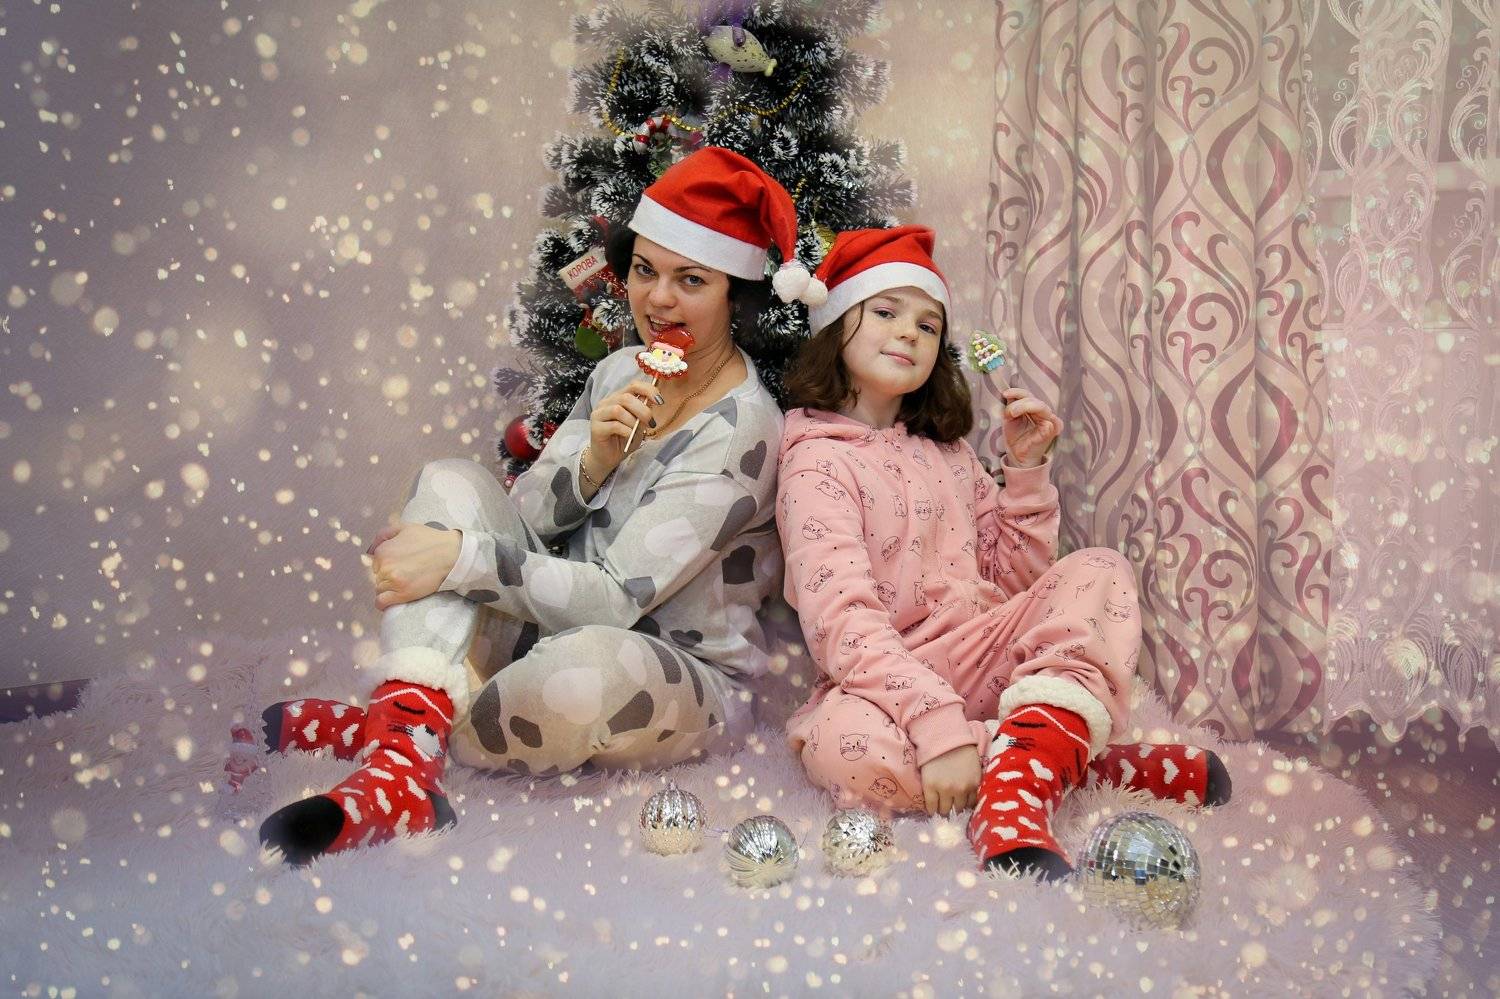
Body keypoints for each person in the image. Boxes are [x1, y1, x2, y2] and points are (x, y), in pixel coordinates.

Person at [252, 146, 828, 863]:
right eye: (644, 271)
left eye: (691, 280)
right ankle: (403, 765)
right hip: (546, 621)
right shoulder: (618, 371)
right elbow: (525, 518)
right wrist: (592, 463)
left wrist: (457, 560)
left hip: (671, 673)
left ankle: (402, 727)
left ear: (733, 294)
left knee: (582, 675)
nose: (658, 300)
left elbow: (613, 601)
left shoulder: (745, 429)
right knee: (452, 480)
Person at [776, 226, 1230, 879]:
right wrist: (934, 722)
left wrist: (1026, 471)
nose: (909, 333)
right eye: (886, 312)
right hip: (886, 681)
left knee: (1099, 569)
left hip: (986, 656)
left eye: (928, 325)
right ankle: (1071, 762)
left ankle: (1014, 798)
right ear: (835, 324)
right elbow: (841, 624)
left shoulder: (950, 453)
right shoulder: (814, 463)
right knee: (839, 748)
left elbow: (1016, 582)